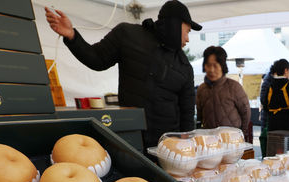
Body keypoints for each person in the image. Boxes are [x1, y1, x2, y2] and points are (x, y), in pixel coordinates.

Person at [44, 0, 200, 149]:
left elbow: (187, 114)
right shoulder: (127, 34)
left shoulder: (185, 65)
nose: (187, 39)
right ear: (175, 24)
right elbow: (96, 59)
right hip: (131, 141)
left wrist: (185, 149)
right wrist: (72, 36)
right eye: (187, 31)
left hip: (166, 148)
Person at [195, 46, 251, 139]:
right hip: (210, 142)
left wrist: (241, 135)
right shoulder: (201, 89)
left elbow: (246, 113)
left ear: (222, 66)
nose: (211, 70)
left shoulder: (234, 87)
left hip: (232, 141)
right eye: (208, 65)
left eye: (215, 65)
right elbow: (200, 117)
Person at [263, 59, 289, 132]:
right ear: (285, 70)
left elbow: (265, 104)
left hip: (272, 122)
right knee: (284, 142)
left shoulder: (270, 85)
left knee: (273, 142)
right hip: (285, 121)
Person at [258, 66, 274, 156]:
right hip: (267, 115)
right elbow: (263, 100)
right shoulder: (267, 82)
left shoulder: (267, 81)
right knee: (266, 139)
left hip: (266, 114)